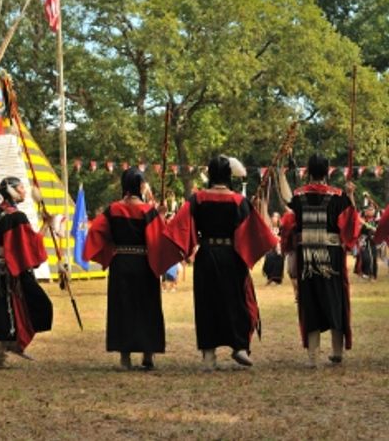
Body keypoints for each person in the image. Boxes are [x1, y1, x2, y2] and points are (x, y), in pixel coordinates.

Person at [162, 156, 277, 371]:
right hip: (233, 256)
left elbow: (178, 226)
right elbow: (255, 230)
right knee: (237, 301)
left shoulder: (197, 199)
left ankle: (208, 355)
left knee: (207, 303)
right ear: (227, 175)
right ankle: (240, 347)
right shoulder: (238, 201)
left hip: (206, 255)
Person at [83, 169, 177, 370]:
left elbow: (96, 231)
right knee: (148, 307)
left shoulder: (112, 210)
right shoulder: (147, 211)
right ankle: (148, 354)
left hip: (121, 264)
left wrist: (108, 250)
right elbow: (158, 239)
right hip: (144, 264)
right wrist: (160, 216)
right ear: (140, 186)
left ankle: (124, 358)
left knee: (122, 308)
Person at [280, 154, 360, 367]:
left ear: (309, 171)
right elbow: (352, 222)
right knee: (335, 298)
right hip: (331, 255)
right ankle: (337, 352)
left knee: (310, 299)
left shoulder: (299, 196)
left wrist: (281, 175)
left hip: (307, 256)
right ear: (327, 171)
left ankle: (312, 357)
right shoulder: (339, 196)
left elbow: (286, 205)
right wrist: (351, 195)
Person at [0, 177, 53, 369]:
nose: (24, 191)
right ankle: (1, 356)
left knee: (10, 308)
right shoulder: (16, 216)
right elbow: (30, 245)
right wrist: (47, 226)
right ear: (13, 191)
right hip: (10, 270)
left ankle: (13, 346)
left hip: (0, 269)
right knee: (25, 305)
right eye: (21, 187)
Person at [355, 206, 378, 280]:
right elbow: (358, 230)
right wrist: (364, 224)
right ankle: (363, 273)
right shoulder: (362, 219)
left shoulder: (376, 220)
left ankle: (373, 275)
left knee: (374, 258)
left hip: (373, 241)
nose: (371, 211)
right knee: (364, 257)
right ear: (366, 211)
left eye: (372, 210)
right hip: (363, 241)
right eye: (370, 210)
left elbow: (377, 229)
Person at [262, 212, 285, 285]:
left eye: (276, 217)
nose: (275, 218)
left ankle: (276, 279)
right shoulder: (270, 228)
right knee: (269, 256)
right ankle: (270, 277)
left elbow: (284, 238)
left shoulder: (281, 229)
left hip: (279, 248)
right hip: (271, 248)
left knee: (279, 257)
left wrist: (278, 238)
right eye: (274, 217)